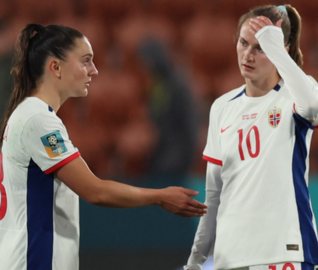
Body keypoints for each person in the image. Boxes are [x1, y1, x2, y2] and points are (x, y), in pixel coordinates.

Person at [0, 24, 207, 270]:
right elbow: (95, 191)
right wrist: (159, 197)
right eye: (85, 61)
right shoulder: (38, 120)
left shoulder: (30, 114)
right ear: (55, 67)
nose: (94, 70)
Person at [184, 4, 318, 270]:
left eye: (260, 48)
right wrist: (196, 260)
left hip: (282, 252)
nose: (247, 55)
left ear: (280, 50)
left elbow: (313, 109)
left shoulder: (297, 94)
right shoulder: (222, 107)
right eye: (243, 43)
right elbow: (214, 196)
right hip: (229, 258)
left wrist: (277, 49)